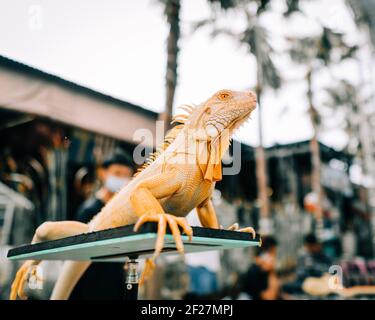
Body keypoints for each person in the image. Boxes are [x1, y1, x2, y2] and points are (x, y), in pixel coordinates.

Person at [69, 149, 134, 300]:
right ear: (102, 173)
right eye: (117, 173)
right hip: (89, 285)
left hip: (115, 284)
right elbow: (76, 254)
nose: (122, 179)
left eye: (126, 176)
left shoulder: (125, 211)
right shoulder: (88, 210)